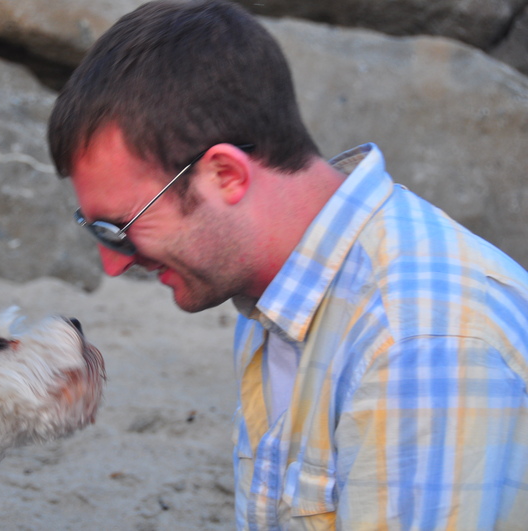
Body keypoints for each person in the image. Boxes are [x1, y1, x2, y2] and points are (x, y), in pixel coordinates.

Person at [47, 0, 528, 528]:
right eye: (93, 228)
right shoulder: (275, 292)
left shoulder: (417, 344)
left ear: (225, 175)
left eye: (119, 228)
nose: (112, 266)